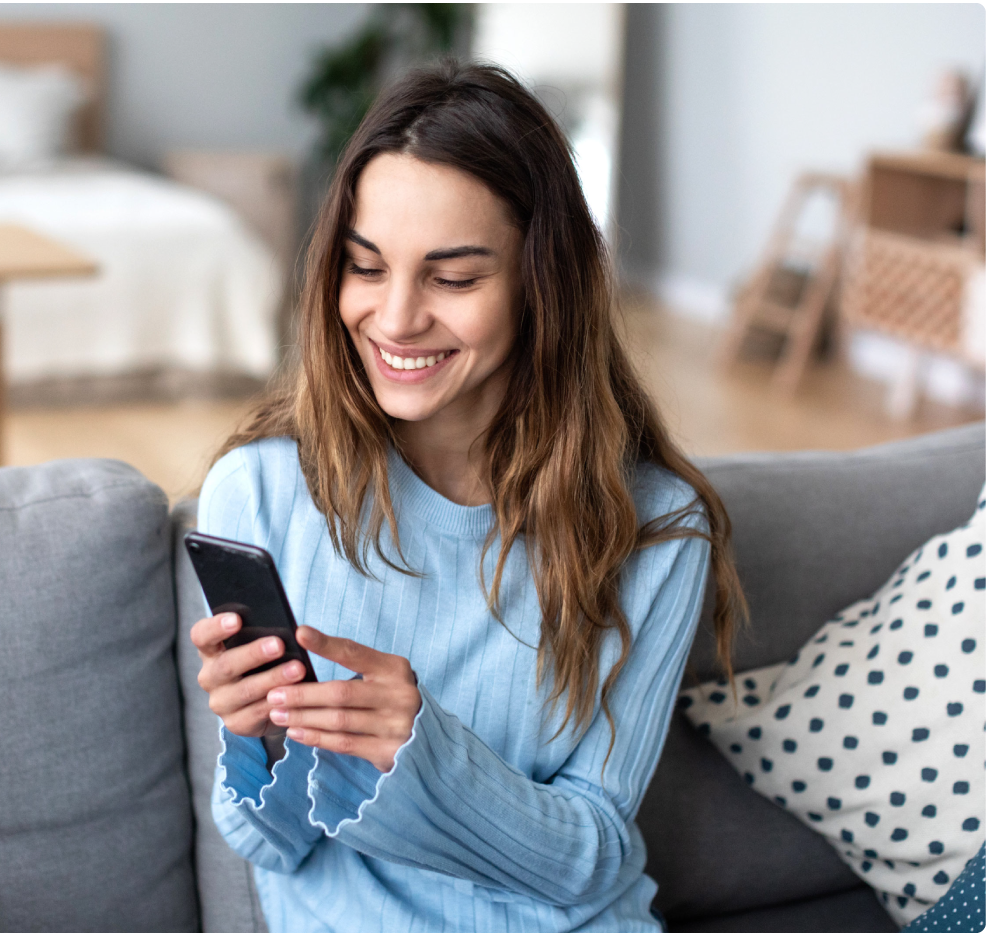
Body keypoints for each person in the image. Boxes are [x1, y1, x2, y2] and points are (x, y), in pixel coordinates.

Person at [190, 60, 744, 932]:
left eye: (452, 279)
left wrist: (428, 758)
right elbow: (267, 845)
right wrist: (258, 741)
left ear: (543, 283)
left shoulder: (657, 528)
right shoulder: (259, 493)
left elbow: (590, 857)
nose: (395, 318)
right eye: (365, 267)